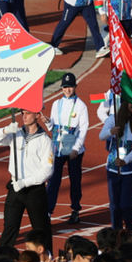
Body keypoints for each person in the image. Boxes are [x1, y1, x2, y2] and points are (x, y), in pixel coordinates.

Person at [0, 109, 54, 251]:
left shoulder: (45, 140)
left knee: (41, 230)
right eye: (22, 113)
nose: (24, 116)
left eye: (28, 113)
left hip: (34, 191)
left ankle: (47, 261)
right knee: (9, 228)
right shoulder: (16, 133)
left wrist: (25, 182)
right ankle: (3, 261)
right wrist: (5, 130)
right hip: (14, 188)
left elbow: (48, 169)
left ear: (37, 115)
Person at [45, 73, 89, 225]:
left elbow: (83, 129)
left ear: (75, 87)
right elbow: (53, 126)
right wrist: (47, 122)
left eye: (70, 87)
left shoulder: (81, 106)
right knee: (53, 180)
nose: (67, 90)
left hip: (73, 150)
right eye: (65, 87)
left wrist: (76, 148)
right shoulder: (56, 104)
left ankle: (75, 210)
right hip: (57, 147)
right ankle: (48, 211)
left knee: (75, 180)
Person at [99, 98, 132, 230]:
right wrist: (111, 132)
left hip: (130, 171)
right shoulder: (113, 119)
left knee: (126, 205)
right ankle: (117, 233)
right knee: (114, 206)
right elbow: (101, 135)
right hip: (113, 169)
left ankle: (131, 232)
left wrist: (125, 161)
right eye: (131, 102)